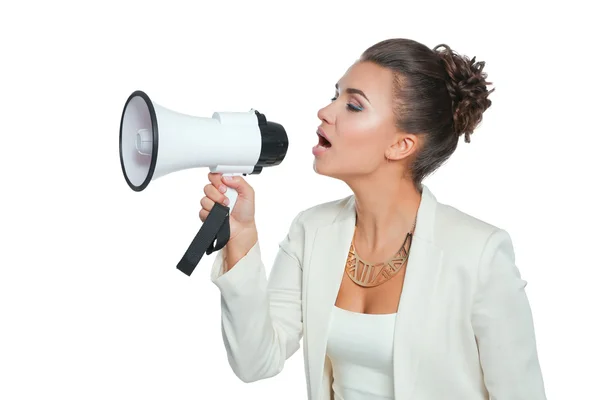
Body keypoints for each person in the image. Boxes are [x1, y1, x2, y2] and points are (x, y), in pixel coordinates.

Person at [199, 38, 547, 400]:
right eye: (334, 96)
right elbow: (255, 360)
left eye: (353, 105)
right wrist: (240, 238)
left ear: (401, 145)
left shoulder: (479, 253)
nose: (325, 111)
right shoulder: (312, 231)